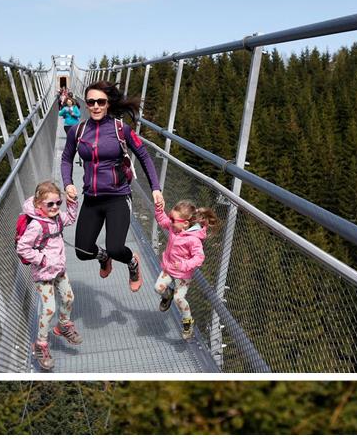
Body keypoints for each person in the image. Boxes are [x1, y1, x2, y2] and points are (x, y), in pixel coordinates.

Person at [60, 80, 162, 292]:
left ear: (108, 104)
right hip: (91, 199)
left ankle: (132, 262)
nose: (96, 106)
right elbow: (66, 158)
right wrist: (68, 183)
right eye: (91, 102)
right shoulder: (77, 132)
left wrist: (155, 188)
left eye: (101, 101)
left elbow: (143, 155)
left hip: (117, 197)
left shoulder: (120, 129)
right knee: (82, 250)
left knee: (117, 248)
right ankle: (103, 257)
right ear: (85, 104)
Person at [16, 180, 81, 372]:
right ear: (38, 205)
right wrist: (42, 260)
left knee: (69, 298)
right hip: (44, 274)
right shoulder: (36, 226)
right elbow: (22, 248)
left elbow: (70, 218)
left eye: (57, 203)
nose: (55, 207)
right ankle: (40, 345)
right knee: (49, 308)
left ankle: (63, 326)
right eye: (50, 204)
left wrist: (72, 202)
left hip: (59, 269)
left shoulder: (57, 218)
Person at [153, 200, 219, 339]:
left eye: (173, 219)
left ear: (185, 223)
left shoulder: (193, 239)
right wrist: (159, 209)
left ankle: (187, 321)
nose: (170, 221)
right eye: (170, 218)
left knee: (179, 299)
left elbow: (199, 258)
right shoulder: (173, 227)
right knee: (158, 288)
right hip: (169, 268)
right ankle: (167, 294)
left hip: (183, 274)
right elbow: (162, 220)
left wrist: (184, 264)